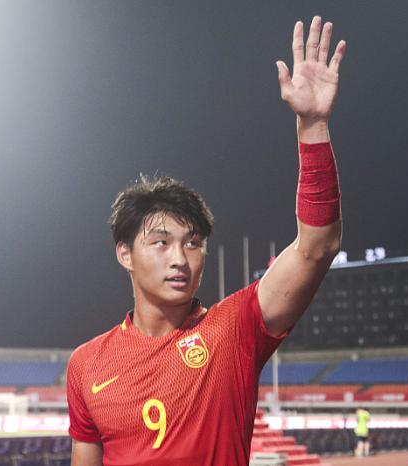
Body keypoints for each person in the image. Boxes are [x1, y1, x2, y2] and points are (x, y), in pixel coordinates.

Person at [66, 15, 346, 466]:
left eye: (193, 243)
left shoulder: (233, 329)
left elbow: (317, 247)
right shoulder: (86, 364)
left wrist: (312, 126)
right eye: (161, 243)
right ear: (125, 254)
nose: (180, 258)